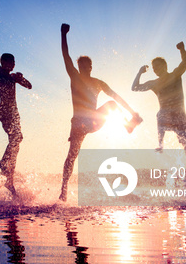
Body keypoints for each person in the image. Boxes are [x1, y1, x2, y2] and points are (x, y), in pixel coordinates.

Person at [58, 23, 143, 202]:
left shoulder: (98, 82)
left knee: (111, 103)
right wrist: (63, 34)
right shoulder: (74, 76)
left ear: (91, 67)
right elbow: (65, 56)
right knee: (72, 156)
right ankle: (64, 190)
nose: (85, 69)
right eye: (82, 66)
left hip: (93, 121)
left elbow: (116, 97)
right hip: (78, 124)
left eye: (88, 66)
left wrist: (132, 112)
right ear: (79, 67)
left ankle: (128, 125)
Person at [0, 14, 33, 196]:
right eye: (9, 62)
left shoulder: (14, 77)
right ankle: (3, 164)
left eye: (13, 63)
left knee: (17, 140)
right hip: (4, 110)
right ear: (3, 62)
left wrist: (22, 78)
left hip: (14, 111)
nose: (11, 64)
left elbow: (30, 87)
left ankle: (9, 179)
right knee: (15, 139)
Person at [131, 41, 186, 169]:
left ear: (165, 65)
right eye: (154, 68)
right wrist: (139, 72)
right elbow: (135, 87)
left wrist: (182, 49)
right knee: (160, 112)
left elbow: (185, 62)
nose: (155, 70)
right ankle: (160, 143)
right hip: (166, 117)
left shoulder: (175, 75)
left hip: (181, 117)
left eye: (158, 66)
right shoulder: (154, 83)